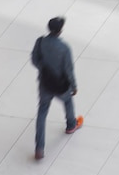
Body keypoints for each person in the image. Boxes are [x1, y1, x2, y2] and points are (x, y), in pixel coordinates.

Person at [31, 17, 82, 160]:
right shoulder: (64, 48)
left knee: (42, 112)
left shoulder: (40, 42)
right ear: (60, 30)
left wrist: (44, 69)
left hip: (45, 83)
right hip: (60, 85)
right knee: (67, 101)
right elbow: (68, 69)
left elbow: (34, 59)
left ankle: (39, 148)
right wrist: (74, 85)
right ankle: (71, 124)